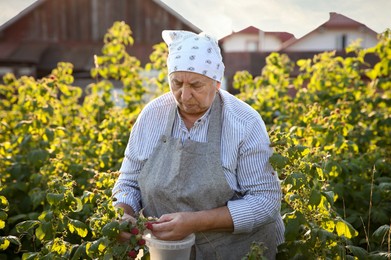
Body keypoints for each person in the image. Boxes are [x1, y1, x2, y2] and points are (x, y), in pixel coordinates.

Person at [112, 30, 285, 259]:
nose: (184, 96)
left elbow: (265, 201)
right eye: (176, 83)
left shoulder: (244, 123)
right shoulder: (153, 116)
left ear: (216, 83)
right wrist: (124, 213)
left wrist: (195, 222)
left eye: (196, 85)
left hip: (235, 250)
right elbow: (128, 182)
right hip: (167, 251)